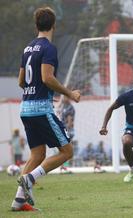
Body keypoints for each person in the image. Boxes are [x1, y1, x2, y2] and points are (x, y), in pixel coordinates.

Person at [11, 7, 81, 212]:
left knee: (37, 154)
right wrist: (70, 94)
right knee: (67, 151)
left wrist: (33, 91)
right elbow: (47, 78)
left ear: (36, 25)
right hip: (42, 109)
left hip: (26, 108)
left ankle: (18, 202)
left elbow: (21, 81)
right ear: (54, 25)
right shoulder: (49, 48)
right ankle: (30, 178)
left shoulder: (27, 48)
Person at [58, 95, 76, 173]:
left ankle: (66, 166)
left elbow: (69, 122)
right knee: (62, 150)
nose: (63, 98)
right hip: (62, 130)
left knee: (66, 149)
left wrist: (66, 131)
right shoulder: (63, 106)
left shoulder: (70, 107)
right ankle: (63, 166)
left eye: (65, 97)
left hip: (67, 131)